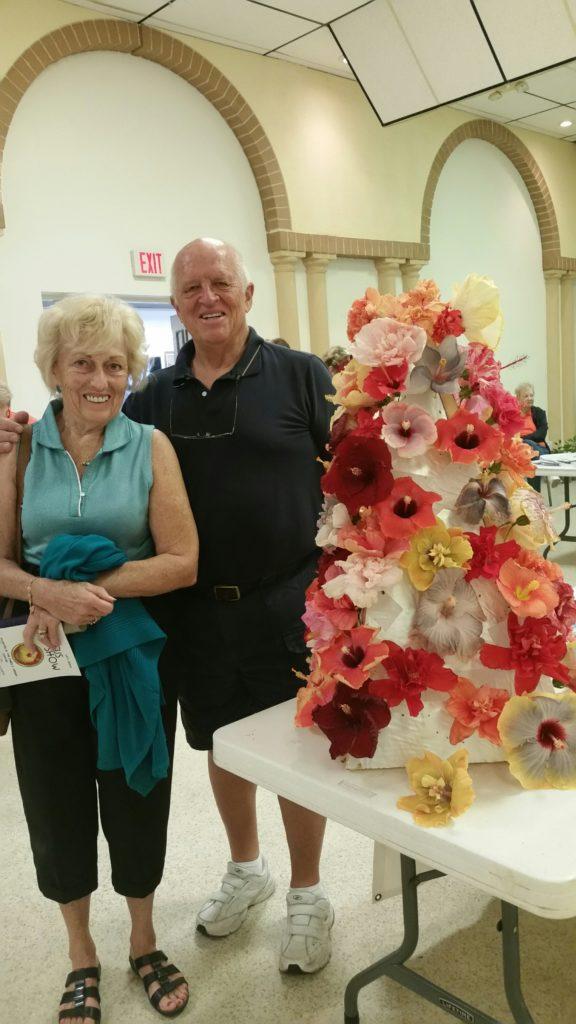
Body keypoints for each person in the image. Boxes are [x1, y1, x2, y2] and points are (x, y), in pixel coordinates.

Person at [0, 239, 336, 975]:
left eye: (222, 282)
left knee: (296, 751)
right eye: (191, 288)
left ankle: (308, 894)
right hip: (187, 621)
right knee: (220, 744)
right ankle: (246, 871)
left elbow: (349, 470)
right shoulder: (154, 395)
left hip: (286, 600)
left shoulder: (301, 374)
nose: (207, 296)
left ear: (249, 292)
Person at [0, 295, 198, 1022]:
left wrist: (84, 591)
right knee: (54, 805)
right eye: (82, 362)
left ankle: (144, 938)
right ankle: (81, 951)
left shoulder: (150, 446)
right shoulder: (16, 448)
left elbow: (182, 561)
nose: (100, 378)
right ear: (53, 368)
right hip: (40, 660)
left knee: (137, 795)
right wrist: (42, 591)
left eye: (116, 364)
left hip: (129, 654)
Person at [515, 382, 550, 492]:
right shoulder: (513, 415)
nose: (530, 398)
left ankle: (533, 495)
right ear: (518, 398)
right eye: (526, 396)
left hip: (540, 450)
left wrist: (523, 439)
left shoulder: (539, 413)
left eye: (531, 395)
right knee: (528, 455)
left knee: (527, 447)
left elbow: (541, 434)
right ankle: (535, 494)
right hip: (519, 452)